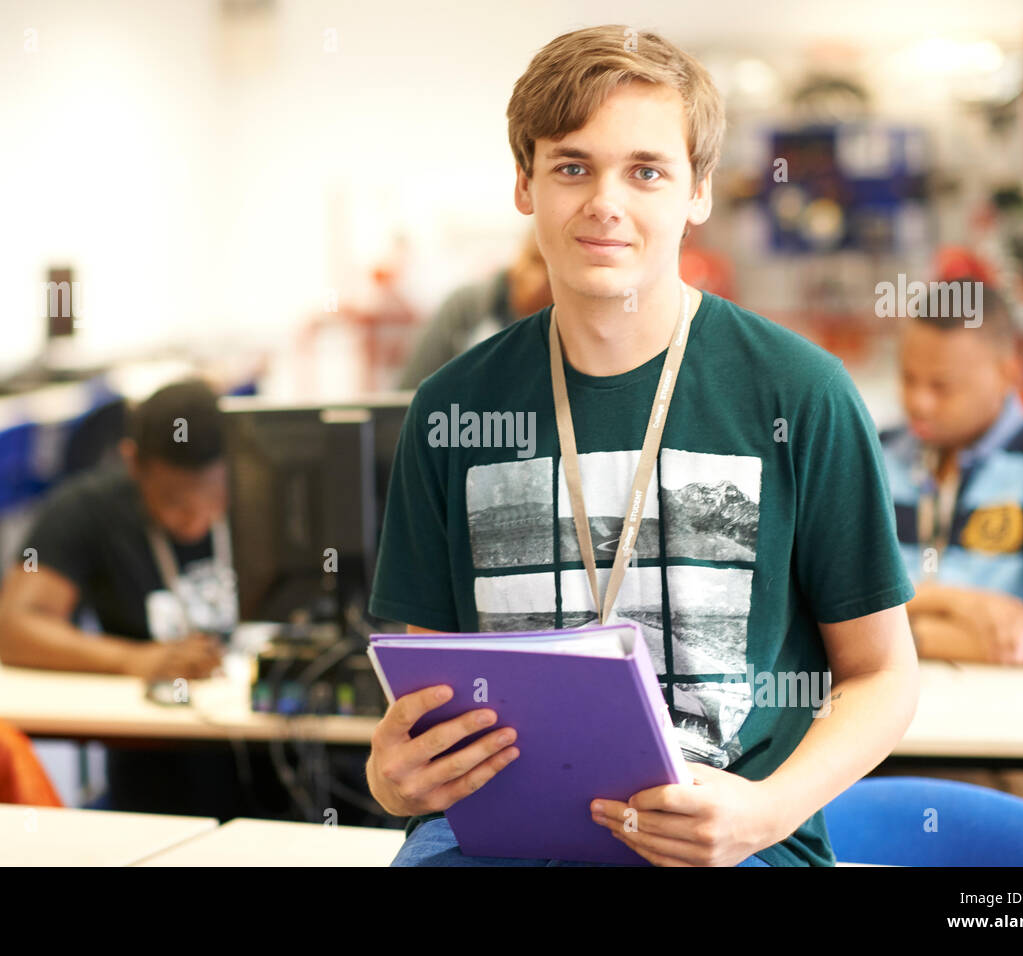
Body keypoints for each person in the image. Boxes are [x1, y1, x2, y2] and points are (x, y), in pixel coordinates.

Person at [365, 25, 919, 867]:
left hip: (727, 842)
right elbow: (429, 695)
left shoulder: (800, 393)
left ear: (698, 192)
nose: (605, 202)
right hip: (500, 838)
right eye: (573, 166)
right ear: (525, 184)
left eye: (646, 171)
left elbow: (883, 674)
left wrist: (768, 811)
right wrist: (393, 780)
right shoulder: (452, 408)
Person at [0, 379, 285, 819]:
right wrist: (133, 659)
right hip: (160, 770)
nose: (195, 520)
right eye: (173, 503)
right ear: (133, 463)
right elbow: (13, 625)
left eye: (212, 499)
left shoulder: (276, 492)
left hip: (277, 754)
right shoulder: (88, 509)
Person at [879, 278, 1023, 806]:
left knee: (949, 814)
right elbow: (815, 599)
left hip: (997, 741)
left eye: (942, 386)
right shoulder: (871, 455)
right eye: (908, 378)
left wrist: (899, 635)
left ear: (1008, 373)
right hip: (869, 722)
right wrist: (958, 604)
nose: (918, 401)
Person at [397, 227, 552, 389]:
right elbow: (408, 395)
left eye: (549, 275)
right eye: (535, 260)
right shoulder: (464, 308)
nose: (538, 281)